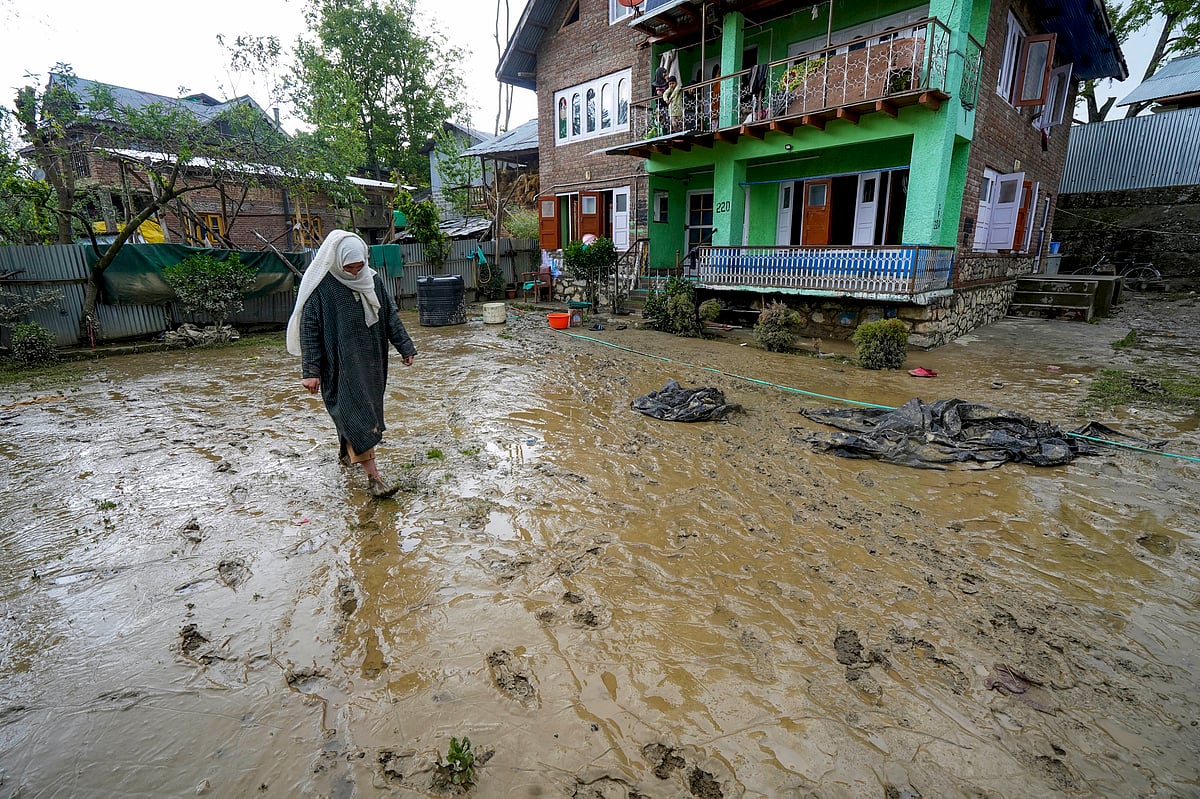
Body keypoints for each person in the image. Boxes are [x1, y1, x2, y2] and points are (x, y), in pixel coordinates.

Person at [286, 229, 417, 498]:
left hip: (371, 361)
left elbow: (389, 314)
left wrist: (405, 346)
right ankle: (375, 479)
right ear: (337, 261)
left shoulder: (372, 280)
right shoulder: (321, 287)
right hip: (339, 364)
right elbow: (309, 329)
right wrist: (310, 371)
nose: (356, 272)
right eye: (350, 267)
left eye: (360, 266)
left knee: (362, 410)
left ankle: (347, 454)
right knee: (358, 414)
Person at [651, 67, 669, 133]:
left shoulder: (667, 82)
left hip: (666, 105)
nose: (665, 74)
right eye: (664, 73)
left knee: (666, 121)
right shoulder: (654, 84)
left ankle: (666, 132)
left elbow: (670, 91)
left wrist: (667, 82)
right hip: (659, 105)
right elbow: (653, 95)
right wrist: (657, 93)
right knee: (659, 120)